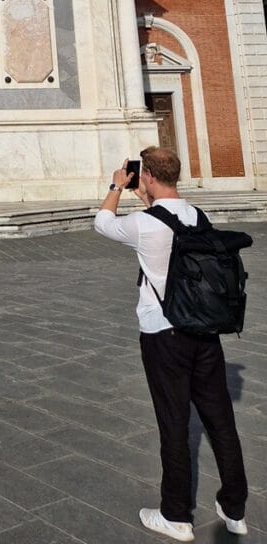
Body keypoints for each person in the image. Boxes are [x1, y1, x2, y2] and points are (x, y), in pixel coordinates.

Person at [94, 147, 248, 541]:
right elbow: (170, 218)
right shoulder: (198, 215)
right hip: (205, 332)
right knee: (221, 422)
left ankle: (176, 515)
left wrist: (115, 184)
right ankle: (234, 509)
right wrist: (147, 194)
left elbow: (102, 222)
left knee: (173, 424)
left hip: (164, 334)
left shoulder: (143, 224)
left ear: (145, 175)